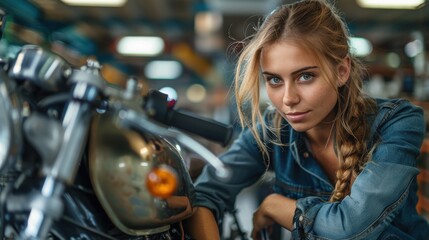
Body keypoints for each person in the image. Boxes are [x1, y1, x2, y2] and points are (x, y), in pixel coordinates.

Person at [184, 0, 429, 239]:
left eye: (305, 77)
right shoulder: (273, 132)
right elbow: (205, 194)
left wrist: (275, 206)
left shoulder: (396, 122)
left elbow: (351, 226)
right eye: (275, 80)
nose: (288, 99)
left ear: (341, 71)